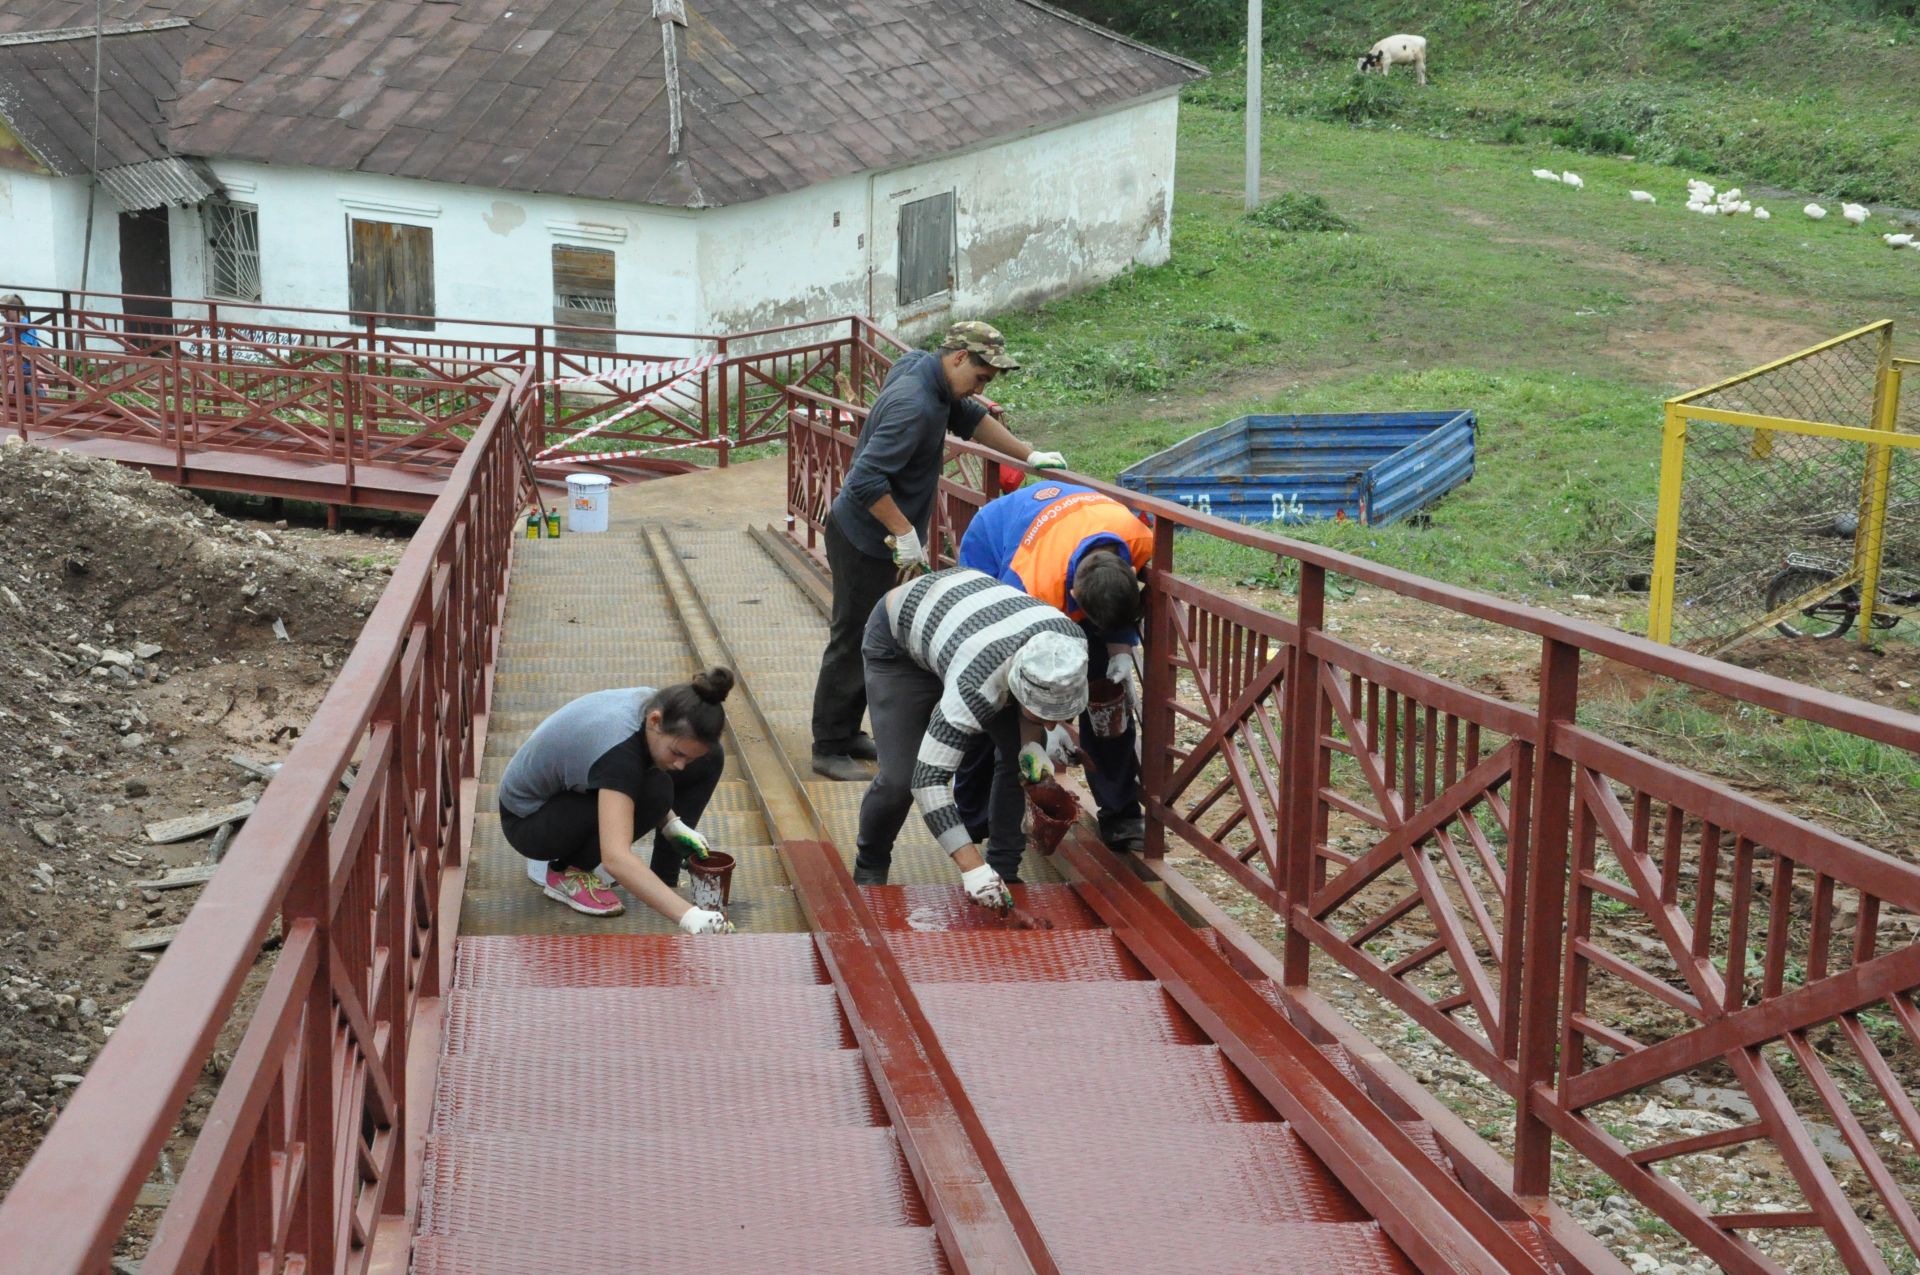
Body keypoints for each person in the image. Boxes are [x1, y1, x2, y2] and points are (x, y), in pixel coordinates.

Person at [810, 320, 1067, 781]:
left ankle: (846, 731)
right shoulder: (915, 404)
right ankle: (828, 745)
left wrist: (1027, 455)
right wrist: (905, 534)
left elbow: (968, 417)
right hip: (866, 540)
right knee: (853, 639)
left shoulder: (923, 368)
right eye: (981, 377)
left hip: (876, 537)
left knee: (867, 636)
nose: (982, 387)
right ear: (959, 358)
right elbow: (865, 479)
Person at [854, 567, 1089, 903]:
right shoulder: (977, 686)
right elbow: (929, 781)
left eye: (1060, 717)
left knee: (1018, 763)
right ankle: (871, 862)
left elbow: (1035, 721)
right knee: (900, 778)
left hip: (973, 631)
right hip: (900, 642)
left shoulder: (1071, 648)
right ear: (1016, 689)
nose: (1051, 725)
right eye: (1042, 716)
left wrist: (1034, 746)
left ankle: (1004, 871)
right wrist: (971, 869)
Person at [956, 482, 1153, 851]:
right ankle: (972, 815)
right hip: (995, 543)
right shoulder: (1027, 583)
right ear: (1074, 601)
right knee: (990, 700)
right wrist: (1051, 725)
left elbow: (1124, 599)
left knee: (1105, 704)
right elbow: (1010, 663)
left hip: (1071, 541)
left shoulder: (1140, 538)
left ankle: (1121, 816)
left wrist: (1120, 649)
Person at [495, 667, 738, 931]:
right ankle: (567, 872)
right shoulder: (619, 754)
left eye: (687, 756)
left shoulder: (662, 708)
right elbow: (615, 858)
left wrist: (672, 824)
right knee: (657, 792)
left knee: (709, 759)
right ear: (656, 721)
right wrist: (689, 917)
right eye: (677, 753)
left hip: (576, 791)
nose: (681, 765)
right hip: (529, 821)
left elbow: (646, 766)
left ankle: (663, 877)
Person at [0, 294, 42, 404]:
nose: (3, 315)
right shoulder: (9, 325)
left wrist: (4, 362)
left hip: (25, 369)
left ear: (14, 309)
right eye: (1, 313)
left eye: (4, 312)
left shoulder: (25, 325)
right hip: (12, 367)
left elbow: (24, 354)